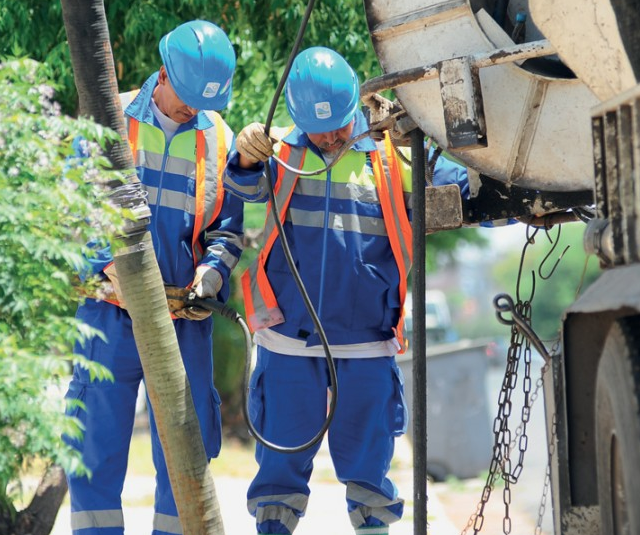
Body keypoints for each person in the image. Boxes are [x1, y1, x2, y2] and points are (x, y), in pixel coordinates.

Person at [226, 46, 471, 535]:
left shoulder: (387, 154)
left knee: (369, 469)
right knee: (279, 470)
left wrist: (417, 135)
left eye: (340, 123)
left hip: (365, 342)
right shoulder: (282, 154)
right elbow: (243, 185)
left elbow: (459, 184)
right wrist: (244, 153)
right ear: (297, 118)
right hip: (290, 341)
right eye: (320, 128)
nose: (333, 136)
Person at [63, 20, 243, 535]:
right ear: (161, 75)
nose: (194, 110)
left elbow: (226, 232)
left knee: (183, 455)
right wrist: (107, 268)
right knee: (94, 443)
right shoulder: (110, 119)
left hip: (183, 317)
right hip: (110, 313)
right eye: (186, 99)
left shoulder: (219, 137)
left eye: (201, 103)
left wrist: (212, 273)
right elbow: (74, 210)